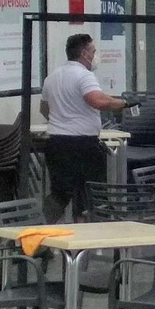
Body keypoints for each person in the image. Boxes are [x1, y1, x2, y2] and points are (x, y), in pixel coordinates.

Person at [39, 33, 129, 221]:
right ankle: (86, 232)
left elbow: (44, 109)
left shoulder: (52, 77)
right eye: (93, 51)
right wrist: (123, 103)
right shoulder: (84, 76)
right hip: (83, 144)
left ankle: (40, 228)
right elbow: (97, 100)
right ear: (84, 53)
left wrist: (62, 119)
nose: (96, 56)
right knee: (91, 192)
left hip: (56, 143)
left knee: (60, 193)